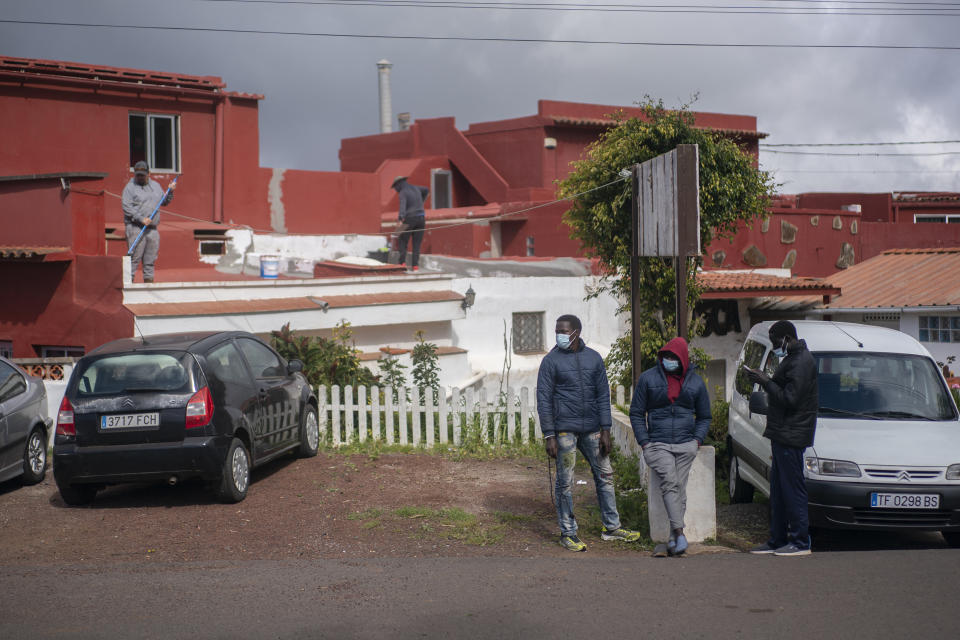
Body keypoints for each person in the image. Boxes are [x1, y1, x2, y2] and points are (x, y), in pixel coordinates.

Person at [537, 314, 641, 552]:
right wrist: (549, 435)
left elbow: (603, 395)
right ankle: (568, 532)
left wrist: (606, 429)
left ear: (576, 332)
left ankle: (612, 528)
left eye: (564, 331)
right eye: (557, 331)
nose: (559, 335)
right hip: (564, 431)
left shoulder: (594, 359)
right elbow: (543, 400)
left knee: (605, 475)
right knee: (565, 482)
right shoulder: (550, 362)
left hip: (593, 428)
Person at [630, 336, 711, 556]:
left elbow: (705, 416)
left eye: (673, 357)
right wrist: (645, 442)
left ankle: (673, 540)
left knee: (679, 491)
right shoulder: (648, 379)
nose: (669, 360)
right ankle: (681, 533)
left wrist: (697, 440)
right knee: (670, 482)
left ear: (682, 358)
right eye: (666, 356)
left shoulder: (696, 383)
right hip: (658, 444)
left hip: (686, 444)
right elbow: (636, 413)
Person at [745, 320, 818, 557]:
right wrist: (763, 378)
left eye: (776, 341)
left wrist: (765, 382)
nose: (775, 346)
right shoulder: (791, 360)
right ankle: (776, 539)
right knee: (777, 491)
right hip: (782, 433)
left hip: (791, 435)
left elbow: (790, 399)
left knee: (792, 490)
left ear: (787, 338)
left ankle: (800, 541)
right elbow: (783, 389)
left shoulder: (802, 362)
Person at [121, 161, 175, 283]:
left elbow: (164, 202)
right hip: (135, 227)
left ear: (149, 173)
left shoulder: (156, 186)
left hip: (152, 229)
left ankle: (148, 285)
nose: (140, 177)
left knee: (150, 260)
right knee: (134, 258)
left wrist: (170, 191)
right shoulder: (129, 188)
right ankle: (128, 285)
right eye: (137, 174)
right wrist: (141, 218)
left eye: (142, 174)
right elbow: (126, 207)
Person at [391, 176, 428, 271]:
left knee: (402, 240)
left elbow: (402, 207)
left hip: (409, 218)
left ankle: (402, 263)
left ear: (398, 184)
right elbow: (426, 190)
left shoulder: (403, 192)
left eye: (395, 187)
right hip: (421, 218)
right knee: (417, 244)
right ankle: (415, 266)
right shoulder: (416, 188)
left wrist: (399, 220)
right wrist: (421, 202)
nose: (395, 190)